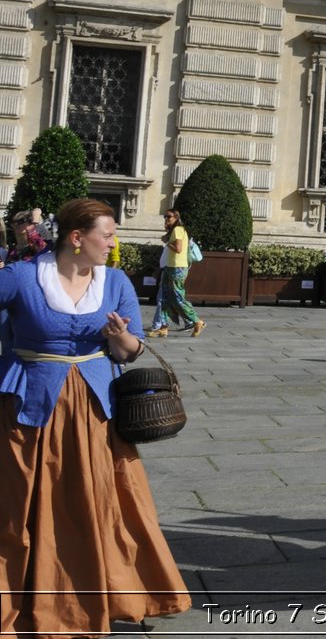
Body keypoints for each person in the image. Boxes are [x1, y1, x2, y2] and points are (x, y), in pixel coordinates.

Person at [0, 197, 191, 636]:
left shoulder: (116, 281)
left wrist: (120, 336)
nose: (112, 242)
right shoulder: (22, 276)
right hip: (29, 406)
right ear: (76, 238)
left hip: (94, 409)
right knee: (20, 505)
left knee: (103, 502)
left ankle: (111, 595)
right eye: (106, 234)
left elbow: (131, 349)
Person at [152, 208, 202, 338]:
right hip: (171, 267)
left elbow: (178, 249)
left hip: (178, 268)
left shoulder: (178, 230)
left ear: (176, 218)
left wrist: (167, 242)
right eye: (165, 217)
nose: (166, 219)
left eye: (169, 217)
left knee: (178, 298)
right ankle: (163, 327)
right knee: (164, 297)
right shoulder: (174, 231)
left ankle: (196, 321)